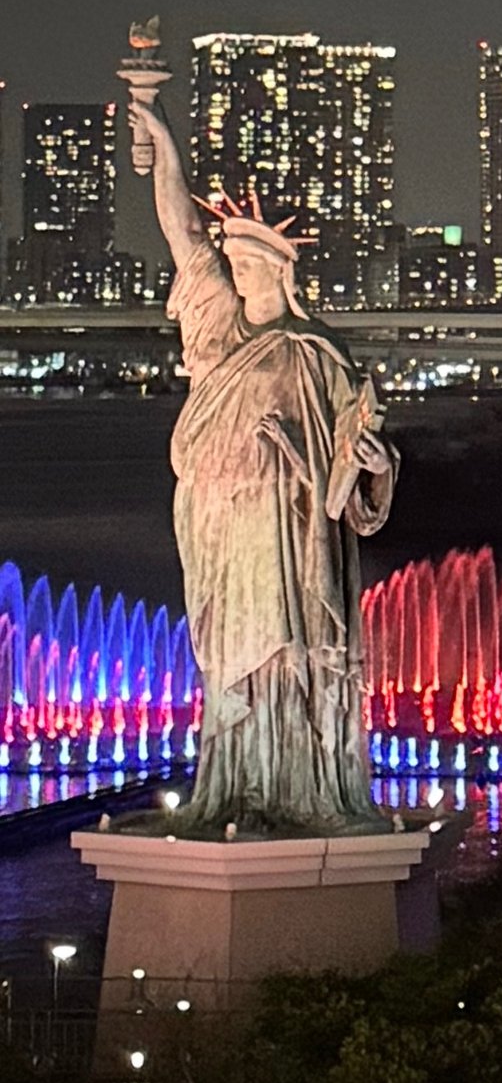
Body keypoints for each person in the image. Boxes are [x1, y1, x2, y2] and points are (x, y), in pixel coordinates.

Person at [126, 84, 396, 834]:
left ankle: (298, 786)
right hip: (220, 523)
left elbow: (357, 462)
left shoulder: (319, 354)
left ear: (281, 273)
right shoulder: (216, 328)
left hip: (290, 525)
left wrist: (371, 463)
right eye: (231, 269)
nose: (234, 279)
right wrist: (164, 145)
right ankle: (238, 784)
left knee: (287, 648)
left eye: (247, 270)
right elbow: (183, 231)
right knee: (231, 654)